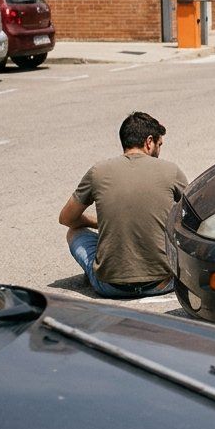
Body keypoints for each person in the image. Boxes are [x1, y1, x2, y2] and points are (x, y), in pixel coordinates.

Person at [58, 112, 187, 299]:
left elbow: (66, 219)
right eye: (159, 145)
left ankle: (105, 269)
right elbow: (195, 212)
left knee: (74, 233)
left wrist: (98, 223)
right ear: (149, 142)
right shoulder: (170, 170)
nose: (159, 151)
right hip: (162, 283)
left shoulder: (98, 172)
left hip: (110, 287)